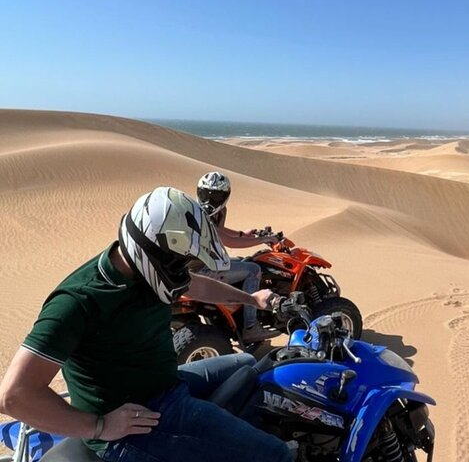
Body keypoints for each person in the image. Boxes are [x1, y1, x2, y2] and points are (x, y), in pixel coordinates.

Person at [0, 187, 293, 462]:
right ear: (153, 253)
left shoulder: (148, 270)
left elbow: (196, 286)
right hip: (138, 422)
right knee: (276, 454)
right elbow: (14, 395)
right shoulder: (80, 300)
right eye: (182, 263)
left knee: (249, 364)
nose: (184, 271)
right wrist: (100, 426)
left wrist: (251, 299)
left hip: (164, 381)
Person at [196, 171, 279, 342]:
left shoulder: (206, 211)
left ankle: (236, 310)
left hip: (205, 262)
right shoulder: (201, 212)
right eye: (205, 194)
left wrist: (243, 234)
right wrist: (264, 239)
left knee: (244, 261)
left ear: (225, 196)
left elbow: (219, 231)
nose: (209, 200)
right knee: (253, 270)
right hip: (201, 269)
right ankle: (250, 326)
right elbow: (229, 242)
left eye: (216, 196)